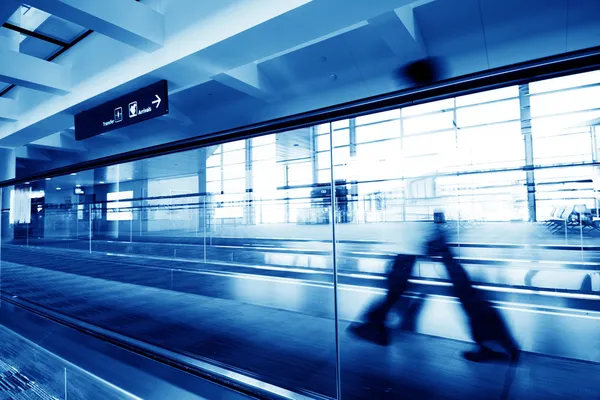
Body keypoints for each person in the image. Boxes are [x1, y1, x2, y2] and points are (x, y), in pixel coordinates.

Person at [348, 210, 520, 363]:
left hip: (418, 232)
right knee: (462, 288)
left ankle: (495, 342)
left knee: (463, 289)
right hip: (422, 232)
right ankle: (495, 341)